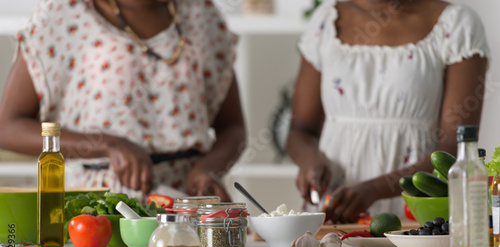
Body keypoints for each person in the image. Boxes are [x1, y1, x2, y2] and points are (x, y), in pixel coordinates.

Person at [0, 0, 245, 202]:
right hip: (100, 206)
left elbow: (233, 127)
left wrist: (208, 169)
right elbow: (8, 127)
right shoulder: (63, 15)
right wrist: (106, 145)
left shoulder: (201, 13)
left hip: (190, 203)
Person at [287, 0, 490, 223]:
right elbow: (300, 130)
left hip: (414, 209)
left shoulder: (458, 24)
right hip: (334, 207)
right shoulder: (326, 21)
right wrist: (310, 162)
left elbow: (456, 148)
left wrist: (375, 189)